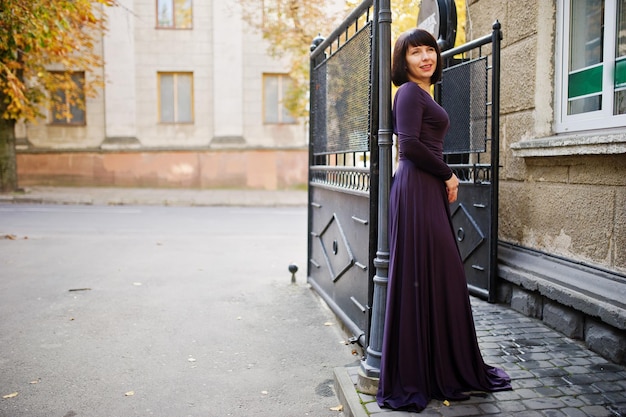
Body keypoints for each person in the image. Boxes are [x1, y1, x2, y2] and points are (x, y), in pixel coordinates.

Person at [376, 28, 512, 412]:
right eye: (415, 52)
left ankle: (439, 364)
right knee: (438, 272)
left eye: (430, 50)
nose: (425, 57)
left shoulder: (423, 94)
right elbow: (412, 144)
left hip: (425, 187)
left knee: (439, 274)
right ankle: (419, 372)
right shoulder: (407, 93)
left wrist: (443, 177)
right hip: (417, 186)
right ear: (403, 61)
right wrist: (449, 174)